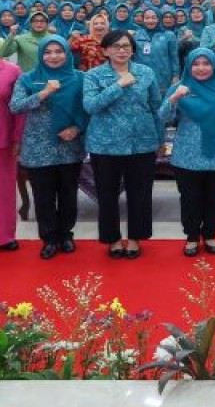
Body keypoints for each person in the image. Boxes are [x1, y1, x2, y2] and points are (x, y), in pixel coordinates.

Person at [82, 29, 163, 259]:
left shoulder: (146, 72)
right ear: (105, 50)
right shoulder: (94, 75)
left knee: (140, 193)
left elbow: (155, 107)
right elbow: (91, 106)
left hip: (142, 143)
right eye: (116, 46)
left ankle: (136, 238)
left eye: (126, 46)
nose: (122, 50)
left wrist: (159, 139)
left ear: (133, 50)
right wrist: (119, 86)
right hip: (105, 145)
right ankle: (113, 239)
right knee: (107, 194)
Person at [10, 35, 88, 259]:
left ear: (67, 53)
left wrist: (77, 127)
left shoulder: (80, 78)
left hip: (69, 146)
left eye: (58, 51)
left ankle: (66, 235)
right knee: (43, 197)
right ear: (41, 55)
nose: (53, 56)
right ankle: (49, 239)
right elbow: (15, 106)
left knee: (68, 194)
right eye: (48, 52)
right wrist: (44, 93)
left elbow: (88, 108)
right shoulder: (28, 79)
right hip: (38, 147)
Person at [161, 48, 215, 256]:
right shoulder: (179, 88)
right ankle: (191, 236)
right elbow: (162, 118)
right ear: (189, 66)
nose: (201, 68)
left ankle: (210, 235)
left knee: (214, 198)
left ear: (214, 66)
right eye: (196, 64)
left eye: (206, 64)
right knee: (190, 198)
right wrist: (173, 99)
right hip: (187, 155)